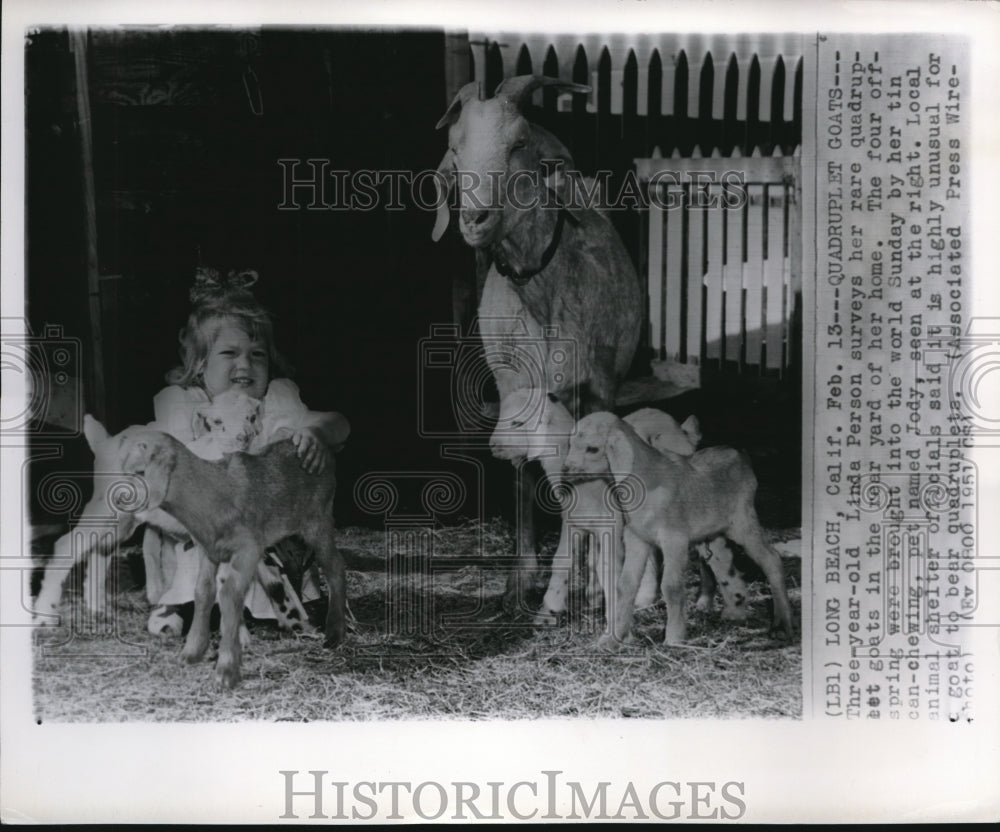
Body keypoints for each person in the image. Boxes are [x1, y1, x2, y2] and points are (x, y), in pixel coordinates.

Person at [143, 266, 349, 636]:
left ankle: (272, 604)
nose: (245, 364)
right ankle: (180, 602)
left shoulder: (276, 400)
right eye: (230, 353)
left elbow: (339, 422)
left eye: (258, 354)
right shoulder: (185, 404)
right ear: (201, 364)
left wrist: (315, 432)